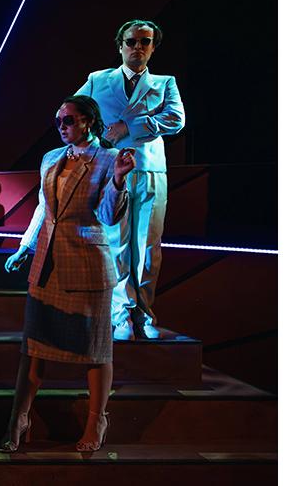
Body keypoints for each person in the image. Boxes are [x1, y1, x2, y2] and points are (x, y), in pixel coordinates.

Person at [0, 95, 134, 453]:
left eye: (69, 120)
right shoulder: (51, 158)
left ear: (89, 121)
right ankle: (19, 418)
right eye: (59, 121)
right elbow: (44, 209)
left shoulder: (108, 159)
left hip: (87, 265)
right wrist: (25, 247)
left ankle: (96, 420)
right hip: (47, 264)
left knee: (95, 350)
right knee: (34, 347)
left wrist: (119, 181)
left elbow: (108, 216)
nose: (62, 126)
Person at [76, 20, 185, 340]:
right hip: (111, 169)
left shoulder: (164, 83)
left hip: (150, 169)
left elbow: (176, 118)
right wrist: (97, 140)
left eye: (145, 42)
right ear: (120, 45)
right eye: (132, 41)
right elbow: (71, 112)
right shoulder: (98, 80)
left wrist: (129, 127)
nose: (138, 47)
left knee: (148, 245)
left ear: (153, 47)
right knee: (116, 243)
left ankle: (144, 312)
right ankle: (121, 313)